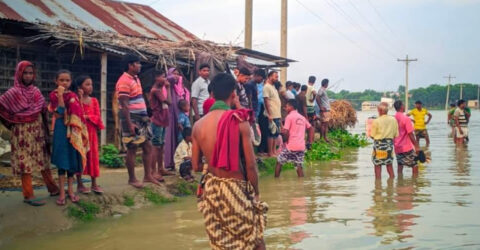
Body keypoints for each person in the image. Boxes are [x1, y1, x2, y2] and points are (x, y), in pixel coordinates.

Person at [192, 73, 268, 250]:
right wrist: (256, 192)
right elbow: (250, 165)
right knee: (255, 239)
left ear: (211, 95)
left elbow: (195, 166)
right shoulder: (239, 121)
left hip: (211, 191)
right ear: (233, 94)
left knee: (221, 243)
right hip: (236, 189)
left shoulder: (198, 126)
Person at [0, 61, 59, 206]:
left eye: (30, 73)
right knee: (25, 163)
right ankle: (28, 195)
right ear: (19, 74)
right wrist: (11, 123)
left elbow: (43, 111)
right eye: (25, 73)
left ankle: (53, 189)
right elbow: (1, 108)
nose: (28, 76)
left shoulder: (36, 92)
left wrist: (47, 131)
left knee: (43, 160)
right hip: (21, 133)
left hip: (38, 132)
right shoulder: (13, 93)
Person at [115, 54, 160, 188]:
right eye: (137, 63)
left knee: (147, 146)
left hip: (142, 118)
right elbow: (124, 105)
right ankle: (132, 178)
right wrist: (129, 124)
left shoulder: (136, 79)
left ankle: (147, 175)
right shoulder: (124, 81)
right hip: (132, 118)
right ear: (130, 65)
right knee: (132, 147)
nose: (140, 66)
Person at [49, 70, 89, 205]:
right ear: (56, 81)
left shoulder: (73, 96)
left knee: (71, 160)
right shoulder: (53, 95)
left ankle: (70, 191)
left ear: (71, 82)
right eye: (61, 80)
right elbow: (59, 112)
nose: (64, 83)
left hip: (72, 131)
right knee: (62, 161)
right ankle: (61, 192)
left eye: (67, 80)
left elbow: (77, 112)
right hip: (61, 130)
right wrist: (60, 96)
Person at [73, 75, 105, 194]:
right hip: (79, 133)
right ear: (80, 87)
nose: (90, 87)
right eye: (87, 84)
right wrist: (80, 98)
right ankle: (80, 184)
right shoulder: (75, 100)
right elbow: (76, 113)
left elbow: (97, 117)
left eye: (91, 84)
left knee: (93, 156)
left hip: (91, 133)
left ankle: (94, 184)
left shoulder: (94, 101)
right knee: (80, 156)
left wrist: (87, 117)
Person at [275, 99, 314, 178]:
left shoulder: (289, 117)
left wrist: (285, 142)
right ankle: (301, 184)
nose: (285, 108)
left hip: (291, 146)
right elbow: (311, 128)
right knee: (298, 165)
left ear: (291, 107)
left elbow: (285, 132)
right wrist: (309, 141)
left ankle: (276, 180)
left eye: (286, 106)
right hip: (301, 146)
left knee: (279, 162)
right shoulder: (302, 117)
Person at [149, 70, 174, 182]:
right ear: (156, 78)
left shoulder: (159, 90)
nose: (165, 79)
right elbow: (169, 102)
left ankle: (160, 168)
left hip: (163, 121)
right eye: (163, 77)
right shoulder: (156, 91)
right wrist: (168, 88)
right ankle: (153, 171)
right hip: (158, 121)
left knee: (161, 145)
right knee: (156, 146)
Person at [164, 67, 190, 170]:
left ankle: (180, 162)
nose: (176, 76)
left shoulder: (181, 88)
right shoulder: (167, 86)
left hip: (179, 115)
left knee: (180, 139)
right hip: (170, 115)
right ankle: (169, 162)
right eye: (174, 73)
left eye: (178, 74)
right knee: (171, 136)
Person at [370, 102, 398, 179]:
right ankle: (391, 185)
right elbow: (396, 134)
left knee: (377, 165)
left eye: (378, 110)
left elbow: (372, 136)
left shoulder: (376, 121)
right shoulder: (393, 119)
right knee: (389, 164)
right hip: (389, 145)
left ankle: (378, 186)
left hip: (379, 145)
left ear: (380, 110)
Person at [393, 100, 420, 177]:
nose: (404, 106)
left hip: (397, 146)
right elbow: (411, 134)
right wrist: (416, 146)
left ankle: (399, 182)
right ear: (401, 107)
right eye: (404, 105)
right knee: (415, 164)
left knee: (400, 164)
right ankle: (415, 182)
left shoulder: (393, 118)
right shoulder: (406, 118)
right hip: (406, 147)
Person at [263, 71, 282, 157]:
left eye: (277, 77)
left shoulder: (273, 86)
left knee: (275, 133)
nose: (277, 78)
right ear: (270, 77)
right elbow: (266, 101)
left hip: (277, 113)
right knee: (271, 134)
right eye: (275, 77)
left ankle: (274, 151)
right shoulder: (267, 87)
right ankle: (270, 152)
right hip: (272, 114)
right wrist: (269, 114)